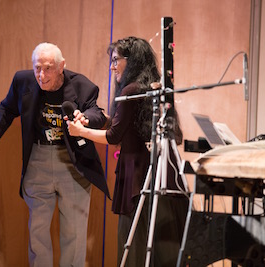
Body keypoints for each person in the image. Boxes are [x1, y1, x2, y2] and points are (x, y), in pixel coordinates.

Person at [0, 42, 110, 267]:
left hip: (72, 161)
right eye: (37, 67)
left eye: (48, 68)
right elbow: (6, 109)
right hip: (38, 159)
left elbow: (96, 112)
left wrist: (85, 119)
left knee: (75, 231)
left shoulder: (81, 85)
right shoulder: (23, 81)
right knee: (37, 231)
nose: (41, 74)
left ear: (61, 67)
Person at [66, 36, 188, 267]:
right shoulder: (155, 87)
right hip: (163, 172)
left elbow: (114, 136)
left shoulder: (131, 90)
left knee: (134, 244)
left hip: (138, 174)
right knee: (163, 247)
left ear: (131, 61)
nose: (111, 66)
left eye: (115, 60)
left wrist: (79, 131)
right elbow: (129, 127)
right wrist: (95, 122)